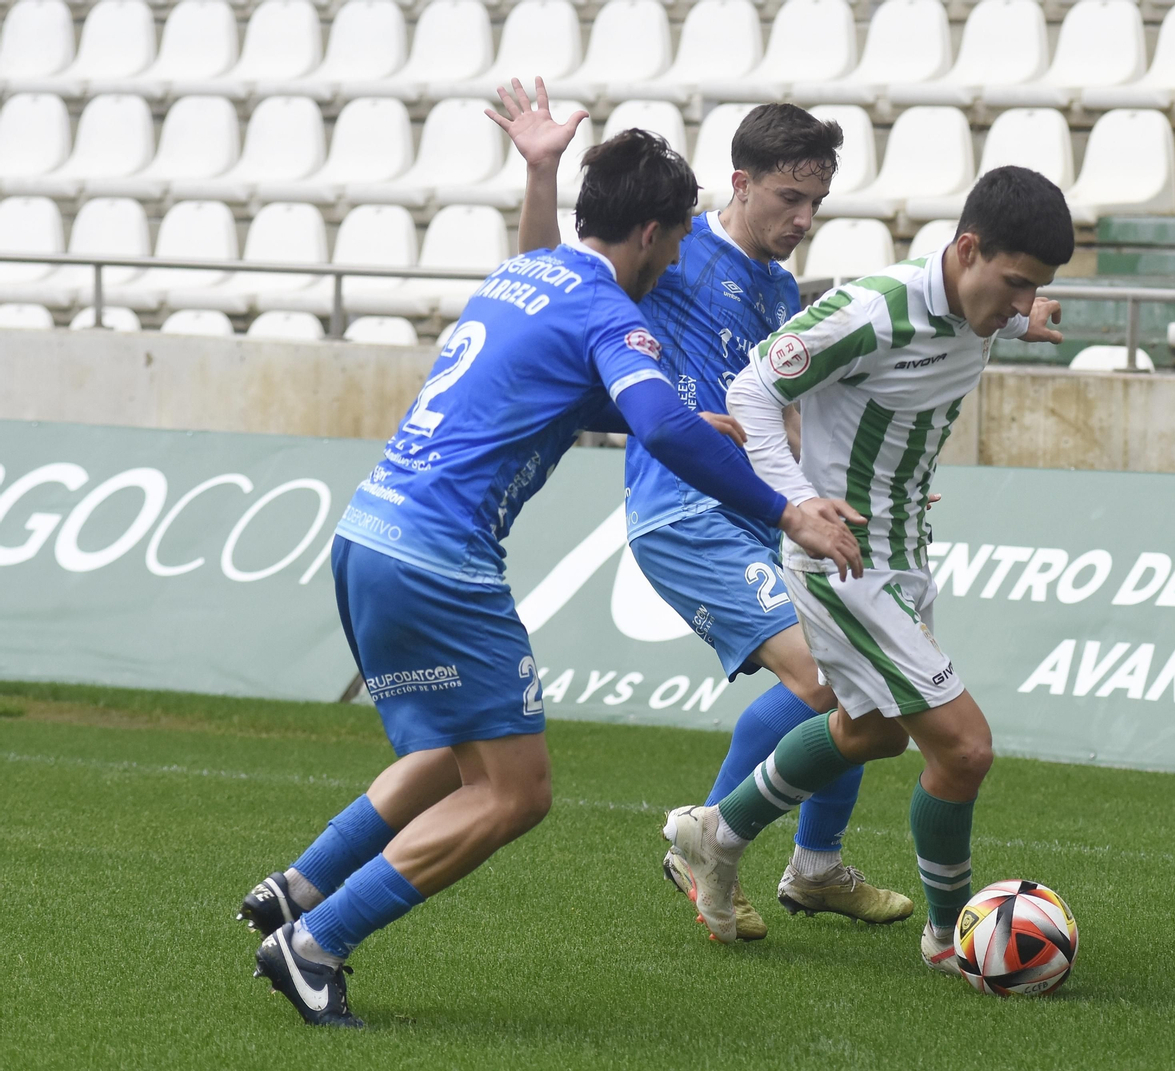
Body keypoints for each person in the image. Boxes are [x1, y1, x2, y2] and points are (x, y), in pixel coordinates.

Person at [237, 117, 864, 1028]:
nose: (684, 248)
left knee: (453, 755)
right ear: (653, 234)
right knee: (517, 790)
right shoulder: (612, 311)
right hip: (441, 560)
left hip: (368, 532)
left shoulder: (527, 273)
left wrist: (538, 172)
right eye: (681, 233)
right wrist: (785, 506)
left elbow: (597, 378)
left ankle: (298, 885)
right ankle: (315, 942)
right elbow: (653, 424)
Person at [503, 89, 913, 939]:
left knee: (861, 672)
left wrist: (835, 497)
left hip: (758, 512)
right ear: (740, 182)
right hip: (682, 510)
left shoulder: (779, 287)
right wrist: (541, 173)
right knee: (831, 679)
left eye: (816, 202)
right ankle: (716, 839)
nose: (803, 217)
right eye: (787, 198)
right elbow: (550, 271)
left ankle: (814, 865)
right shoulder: (678, 247)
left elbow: (786, 417)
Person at [661, 166, 1074, 974]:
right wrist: (798, 507)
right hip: (841, 560)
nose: (1021, 303)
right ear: (966, 249)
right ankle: (950, 936)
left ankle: (717, 832)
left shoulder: (981, 303)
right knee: (964, 749)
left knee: (872, 729)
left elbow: (980, 320)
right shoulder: (872, 309)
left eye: (1036, 291)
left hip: (905, 553)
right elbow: (751, 389)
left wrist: (1024, 318)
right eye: (1017, 285)